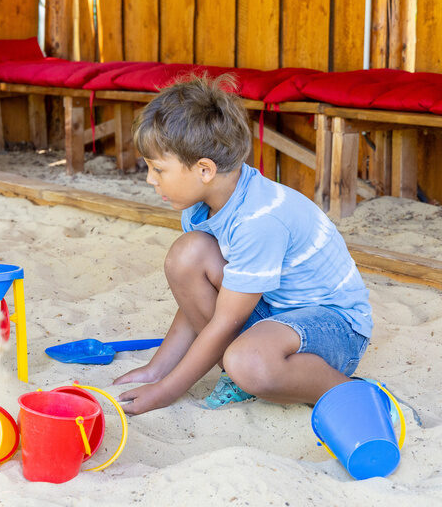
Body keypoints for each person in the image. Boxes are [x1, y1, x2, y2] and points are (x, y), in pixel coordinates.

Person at [114, 75, 372, 415]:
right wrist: (158, 369)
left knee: (247, 362)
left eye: (158, 169)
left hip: (334, 328)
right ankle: (240, 373)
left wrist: (166, 391)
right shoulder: (201, 205)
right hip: (274, 313)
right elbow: (195, 300)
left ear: (204, 169)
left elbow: (225, 321)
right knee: (186, 255)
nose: (150, 179)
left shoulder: (258, 220)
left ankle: (349, 391)